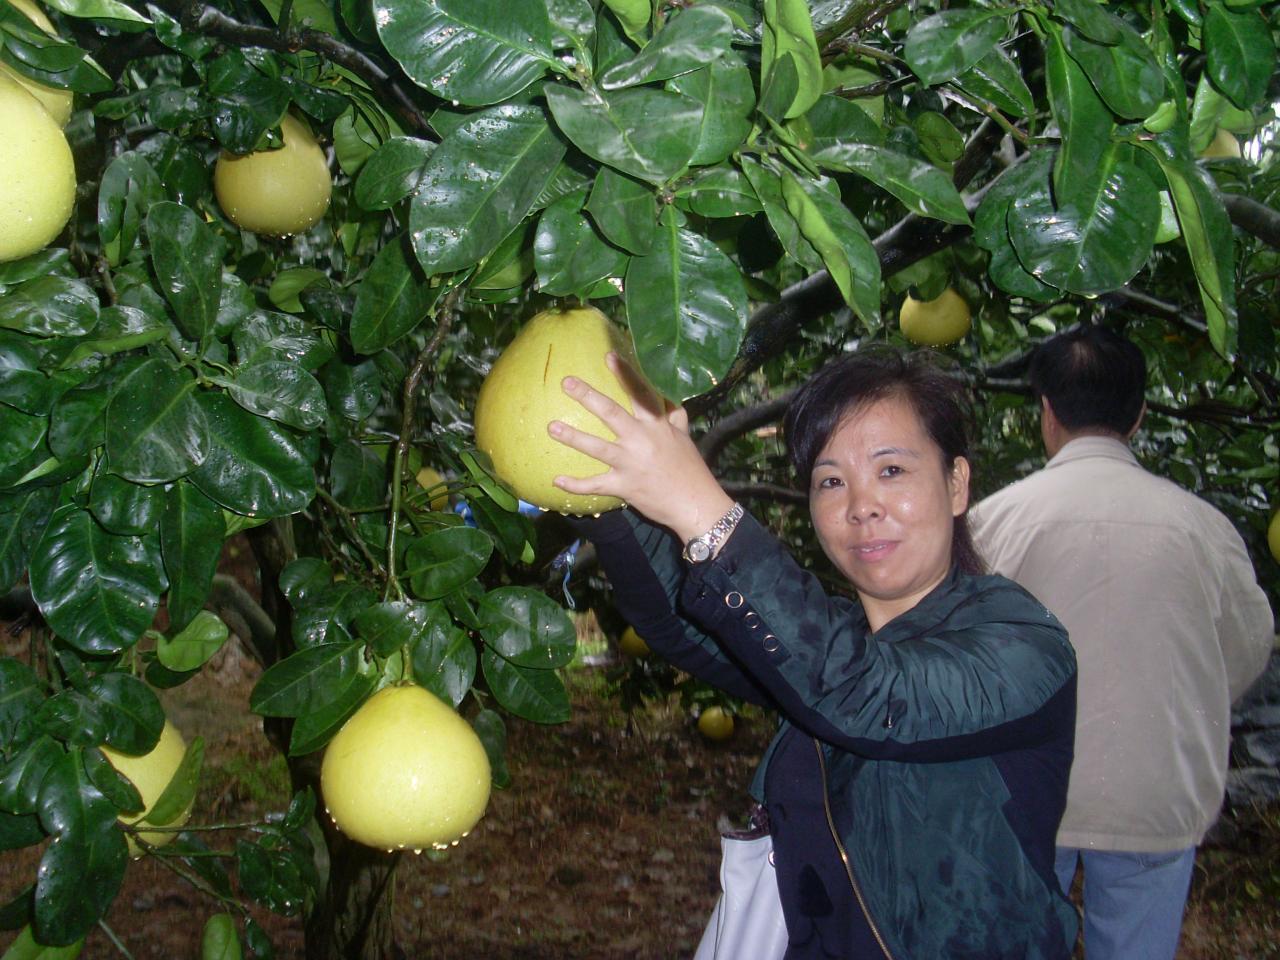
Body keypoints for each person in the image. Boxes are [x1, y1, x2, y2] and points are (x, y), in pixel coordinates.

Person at [550, 346, 1079, 959]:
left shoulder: (1025, 645)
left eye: (892, 471)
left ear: (956, 484)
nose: (861, 506)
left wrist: (702, 507)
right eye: (831, 481)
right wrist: (607, 489)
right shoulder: (831, 642)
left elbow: (866, 694)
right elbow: (680, 618)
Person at [968, 326, 1274, 960]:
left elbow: (954, 656)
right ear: (1137, 414)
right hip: (1156, 789)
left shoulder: (994, 521)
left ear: (1045, 412)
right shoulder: (1203, 529)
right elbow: (1244, 651)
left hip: (1026, 790)